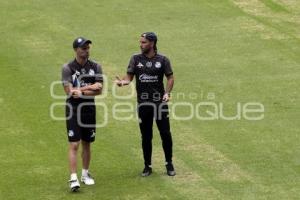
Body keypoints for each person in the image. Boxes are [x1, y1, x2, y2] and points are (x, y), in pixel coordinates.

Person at [115, 32, 176, 177]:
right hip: (143, 105)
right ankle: (147, 166)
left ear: (152, 43)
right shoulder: (135, 59)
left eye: (144, 42)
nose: (140, 44)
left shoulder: (163, 60)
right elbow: (129, 77)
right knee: (146, 136)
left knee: (165, 134)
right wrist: (123, 82)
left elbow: (170, 78)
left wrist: (167, 93)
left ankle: (169, 163)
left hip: (159, 103)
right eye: (140, 42)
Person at [62, 37, 103, 192]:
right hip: (73, 109)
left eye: (87, 48)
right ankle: (73, 178)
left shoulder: (96, 66)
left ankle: (85, 174)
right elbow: (70, 92)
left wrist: (83, 90)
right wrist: (90, 87)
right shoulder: (68, 68)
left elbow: (99, 90)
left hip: (89, 110)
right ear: (76, 50)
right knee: (74, 143)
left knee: (87, 143)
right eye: (83, 48)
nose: (86, 50)